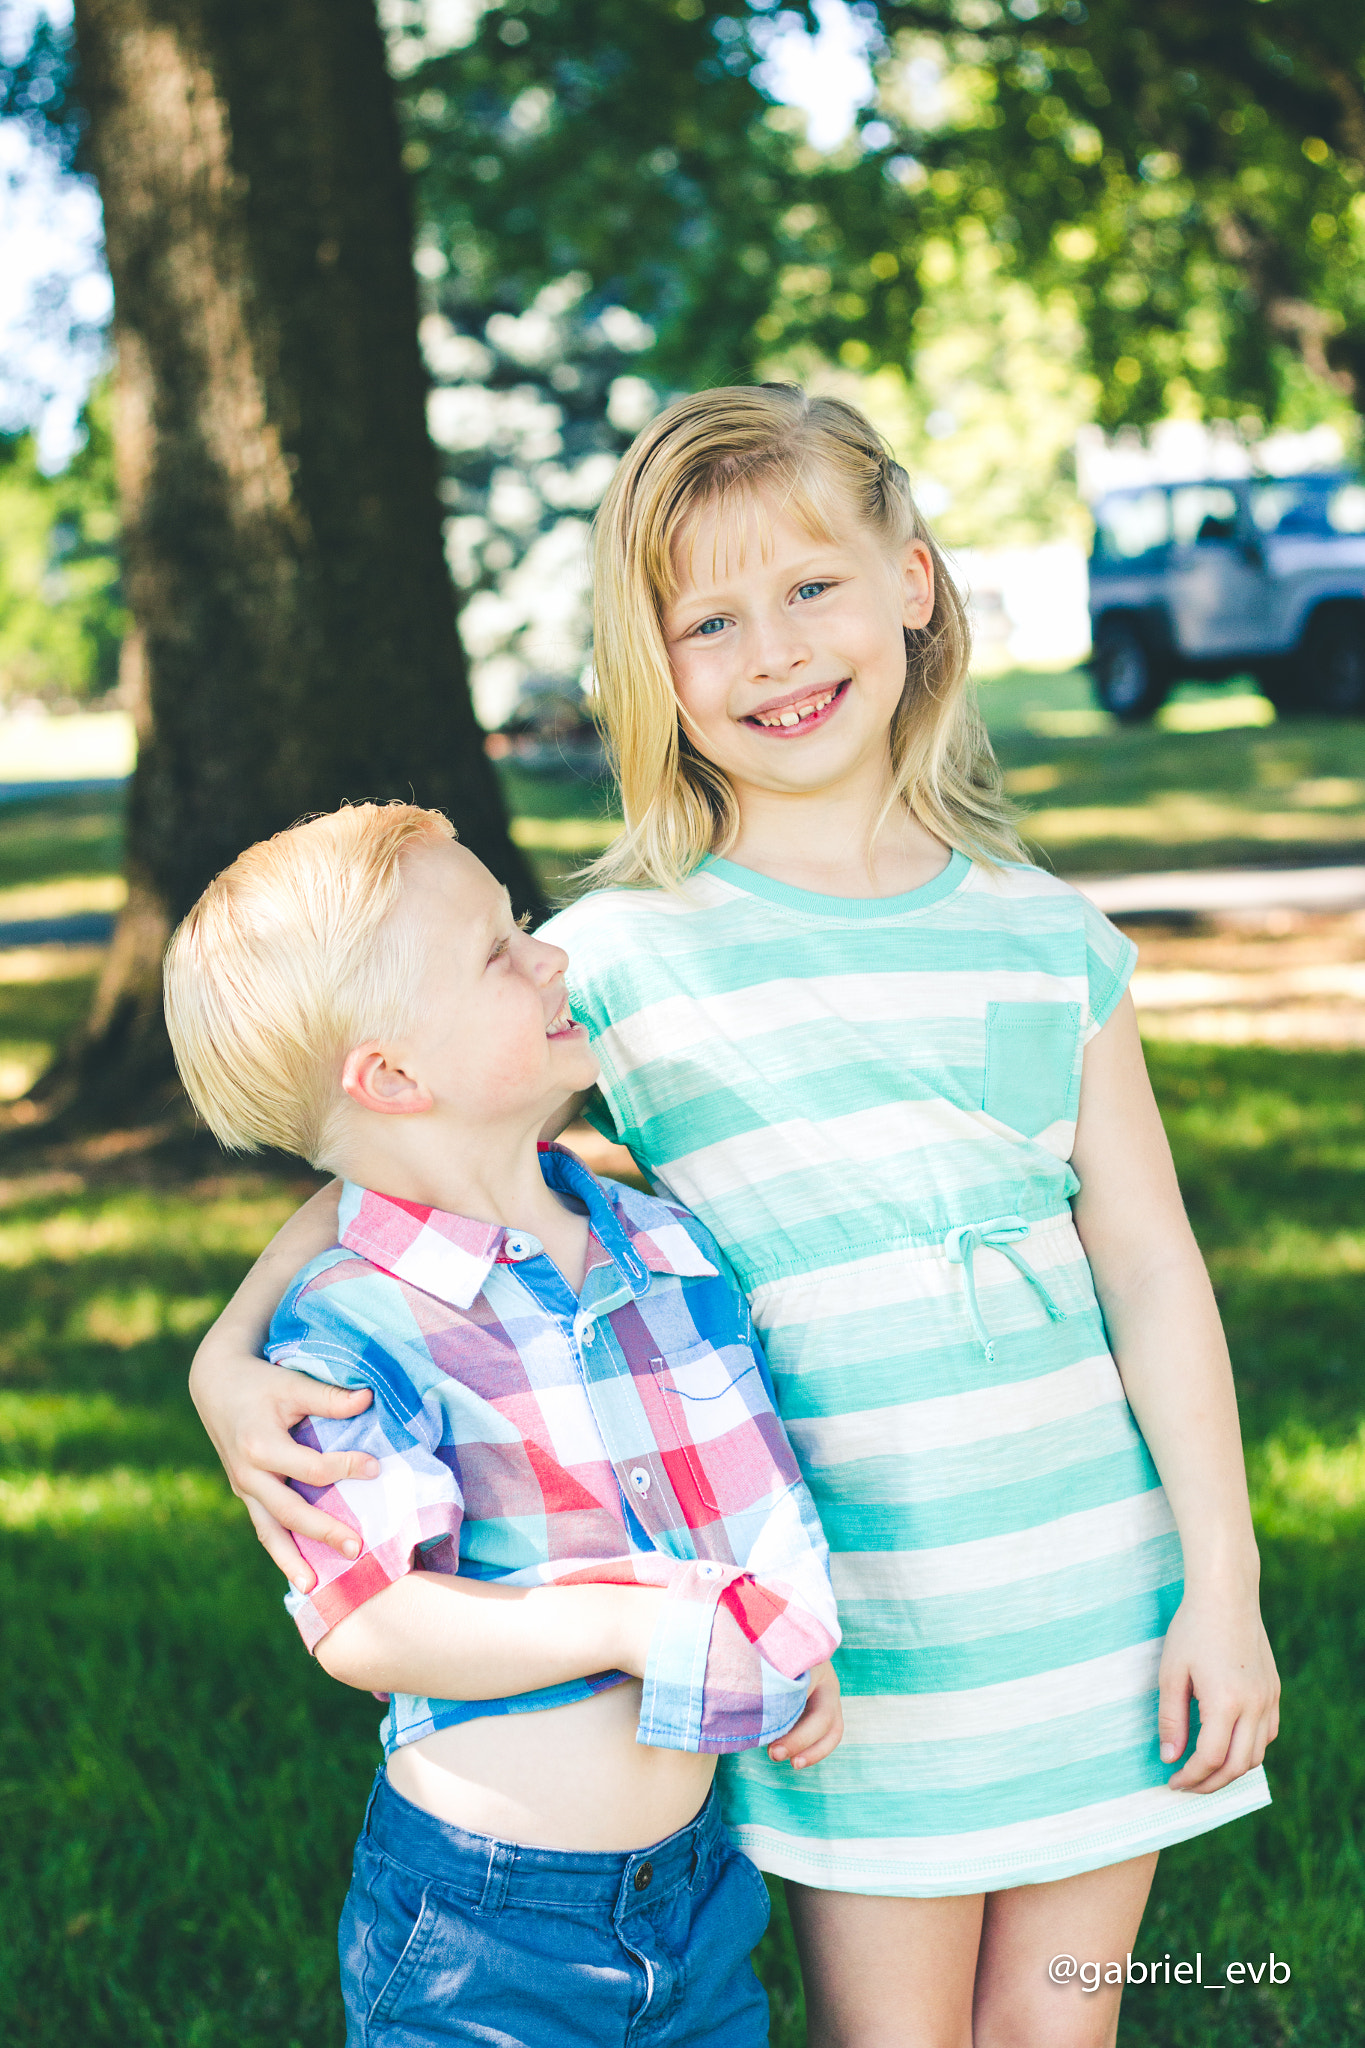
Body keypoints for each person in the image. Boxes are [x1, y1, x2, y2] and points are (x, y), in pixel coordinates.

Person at [188, 388, 1280, 2048]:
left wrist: (1223, 1575)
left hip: (1095, 1611)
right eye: (710, 619)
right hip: (850, 1651)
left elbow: (1150, 1265)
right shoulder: (622, 958)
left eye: (812, 589)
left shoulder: (1052, 937)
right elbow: (404, 1161)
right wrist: (223, 1355)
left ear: (914, 580)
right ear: (657, 665)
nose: (772, 652)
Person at [163, 800, 843, 2048]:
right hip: (485, 1928)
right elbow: (366, 1618)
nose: (552, 957)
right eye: (498, 948)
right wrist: (628, 1621)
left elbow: (732, 1483)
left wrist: (779, 1638)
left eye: (523, 926)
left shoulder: (658, 1241)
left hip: (694, 1895)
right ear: (393, 1076)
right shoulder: (355, 1337)